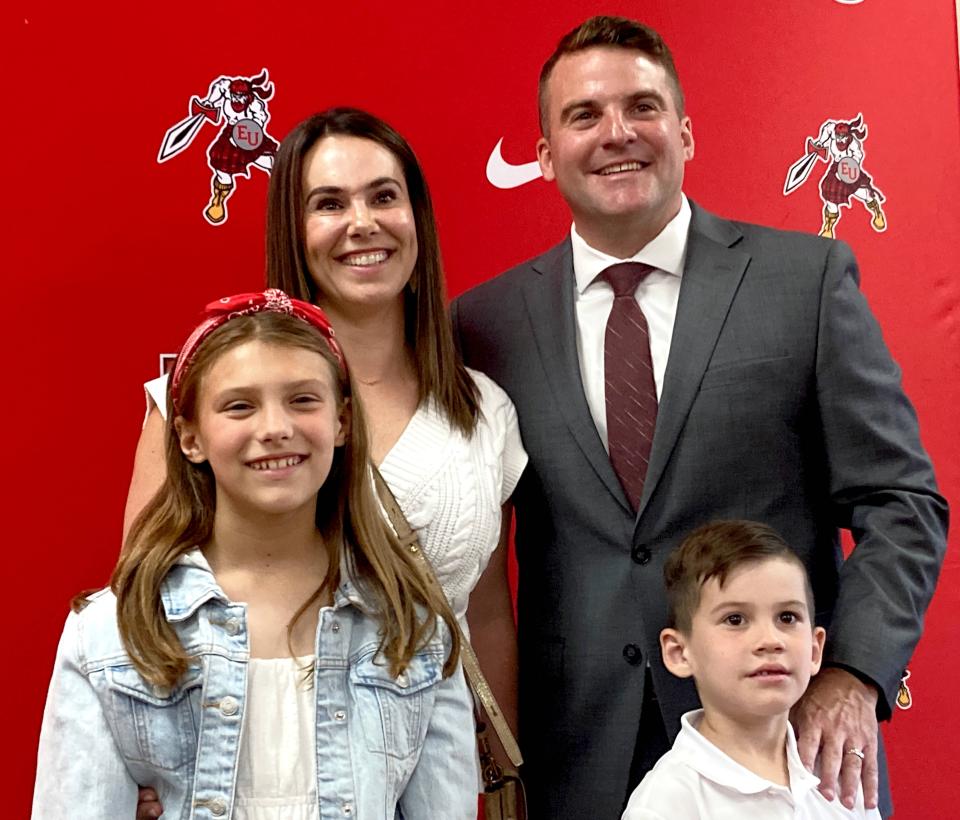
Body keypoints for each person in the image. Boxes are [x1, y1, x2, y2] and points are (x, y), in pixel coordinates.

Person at [451, 15, 947, 820]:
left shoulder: (806, 282)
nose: (617, 133)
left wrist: (854, 676)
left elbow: (903, 503)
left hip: (787, 742)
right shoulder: (482, 324)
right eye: (584, 115)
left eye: (642, 107)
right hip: (576, 751)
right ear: (544, 156)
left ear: (685, 131)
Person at [127, 108, 526, 818]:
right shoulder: (192, 404)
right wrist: (140, 764)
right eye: (329, 204)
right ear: (294, 229)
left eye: (383, 196)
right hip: (244, 772)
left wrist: (498, 776)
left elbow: (484, 616)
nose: (362, 223)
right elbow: (143, 602)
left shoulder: (483, 412)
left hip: (419, 777)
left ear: (416, 217)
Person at [33, 290, 478, 818]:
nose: (274, 428)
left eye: (303, 400)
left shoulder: (415, 626)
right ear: (189, 437)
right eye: (239, 406)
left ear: (342, 423)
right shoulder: (111, 633)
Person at [622, 520, 880, 819]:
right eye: (735, 619)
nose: (770, 641)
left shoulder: (840, 777)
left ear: (814, 649)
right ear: (679, 653)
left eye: (787, 617)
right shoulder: (665, 805)